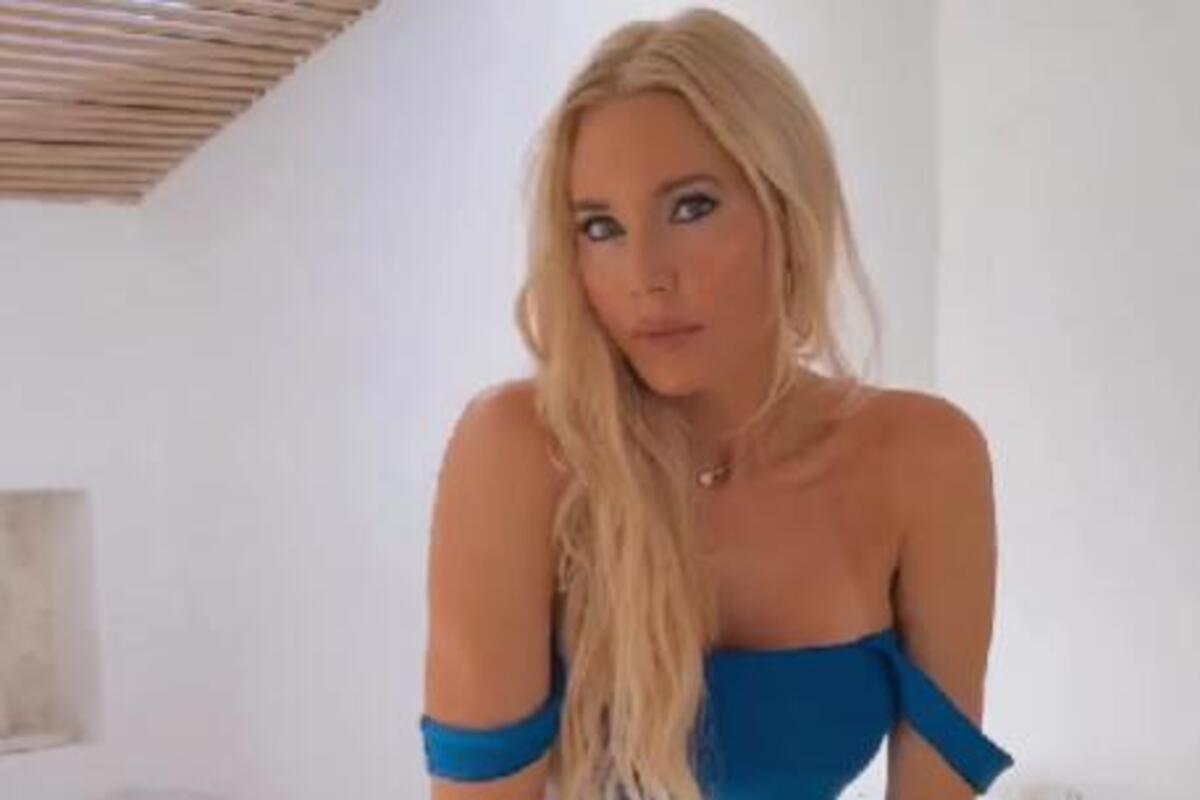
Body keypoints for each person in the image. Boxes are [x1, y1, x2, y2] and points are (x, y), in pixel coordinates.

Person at [419, 7, 1014, 799]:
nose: (647, 277)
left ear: (787, 207)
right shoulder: (523, 454)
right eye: (600, 227)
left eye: (691, 208)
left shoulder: (925, 460)